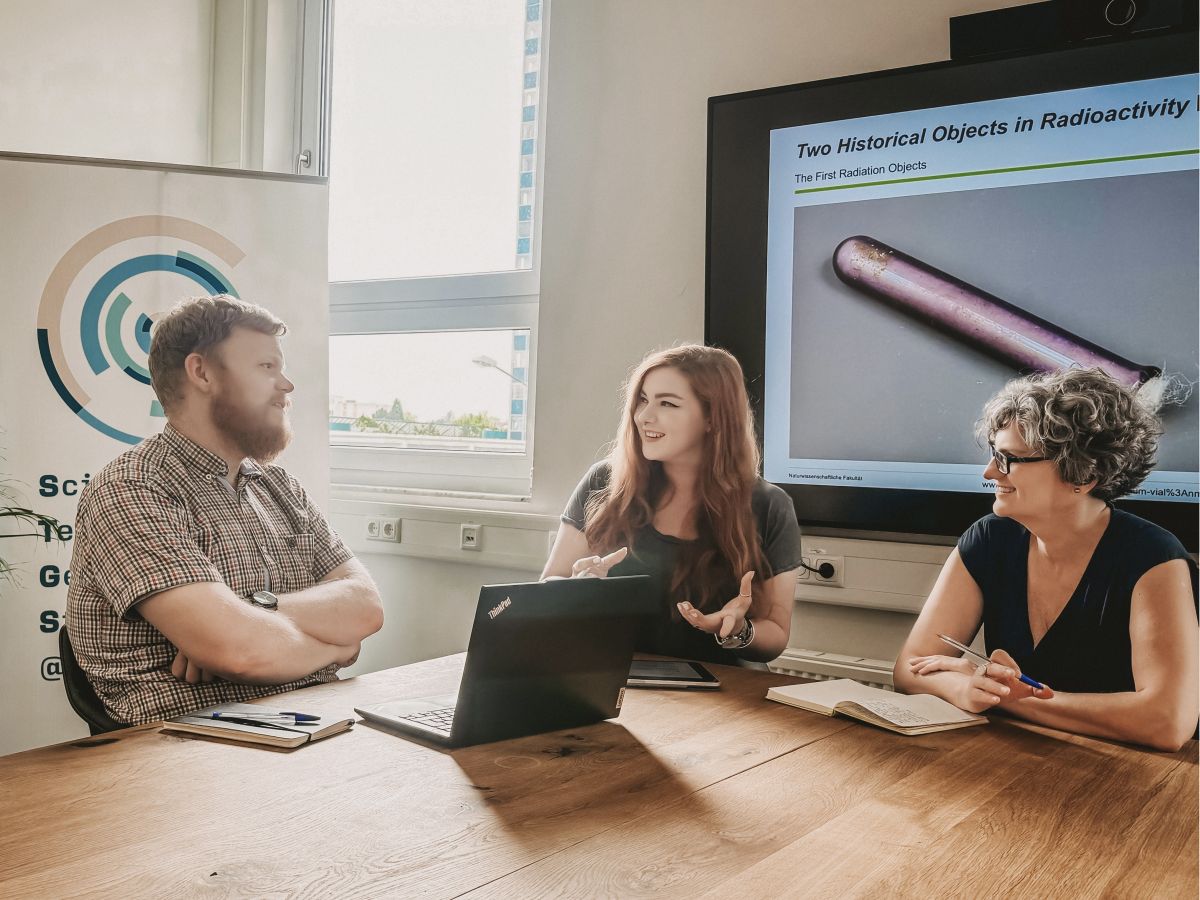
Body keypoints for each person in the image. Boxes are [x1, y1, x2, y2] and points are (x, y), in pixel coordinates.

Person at [66, 295, 384, 725]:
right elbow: (240, 652)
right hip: (186, 748)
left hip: (314, 721)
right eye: (266, 367)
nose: (286, 385)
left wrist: (254, 610)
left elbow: (366, 607)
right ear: (201, 372)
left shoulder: (279, 486)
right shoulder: (131, 489)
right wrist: (338, 647)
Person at [893, 368, 1198, 751]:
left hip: (1128, 781)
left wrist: (1006, 701)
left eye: (1011, 459)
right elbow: (910, 669)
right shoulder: (989, 539)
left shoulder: (1154, 557)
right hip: (1016, 762)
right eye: (993, 455)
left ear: (1084, 475)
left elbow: (1166, 722)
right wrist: (967, 688)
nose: (990, 473)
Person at [541, 344, 802, 665]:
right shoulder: (603, 481)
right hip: (616, 681)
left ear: (712, 418)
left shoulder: (770, 506)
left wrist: (738, 629)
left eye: (667, 404)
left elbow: (776, 633)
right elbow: (547, 587)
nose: (644, 416)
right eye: (642, 400)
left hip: (726, 693)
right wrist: (572, 591)